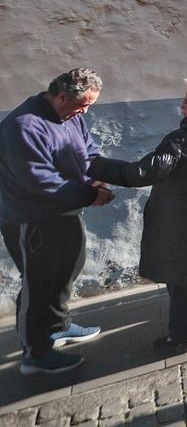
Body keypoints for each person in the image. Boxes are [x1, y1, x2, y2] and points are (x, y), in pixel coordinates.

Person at [89, 75, 187, 353]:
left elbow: (141, 173)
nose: (181, 105)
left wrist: (94, 165)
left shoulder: (181, 140)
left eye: (186, 101)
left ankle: (184, 336)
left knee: (186, 276)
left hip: (186, 222)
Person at [0, 69, 116, 374]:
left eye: (89, 106)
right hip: (31, 217)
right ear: (61, 96)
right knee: (39, 282)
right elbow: (40, 181)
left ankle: (58, 326)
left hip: (65, 210)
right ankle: (35, 353)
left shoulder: (71, 115)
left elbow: (88, 150)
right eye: (82, 105)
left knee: (69, 267)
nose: (85, 112)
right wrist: (89, 196)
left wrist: (97, 177)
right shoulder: (23, 126)